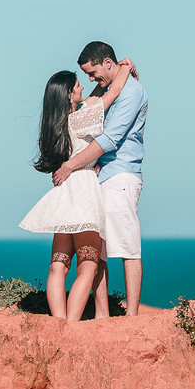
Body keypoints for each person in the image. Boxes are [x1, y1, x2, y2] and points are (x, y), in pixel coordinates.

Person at [20, 60, 135, 322]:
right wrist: (125, 67)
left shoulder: (56, 124)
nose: (84, 86)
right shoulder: (83, 118)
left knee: (58, 264)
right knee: (89, 264)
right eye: (78, 85)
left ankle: (58, 320)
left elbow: (90, 100)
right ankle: (71, 324)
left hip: (64, 193)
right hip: (82, 189)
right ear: (70, 94)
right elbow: (113, 92)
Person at [53, 41, 147, 317]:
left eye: (93, 73)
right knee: (99, 250)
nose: (91, 80)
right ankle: (102, 315)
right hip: (98, 177)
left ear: (108, 63)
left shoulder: (131, 92)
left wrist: (70, 166)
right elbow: (102, 96)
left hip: (121, 173)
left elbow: (110, 138)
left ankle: (132, 316)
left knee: (128, 245)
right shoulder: (108, 89)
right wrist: (124, 68)